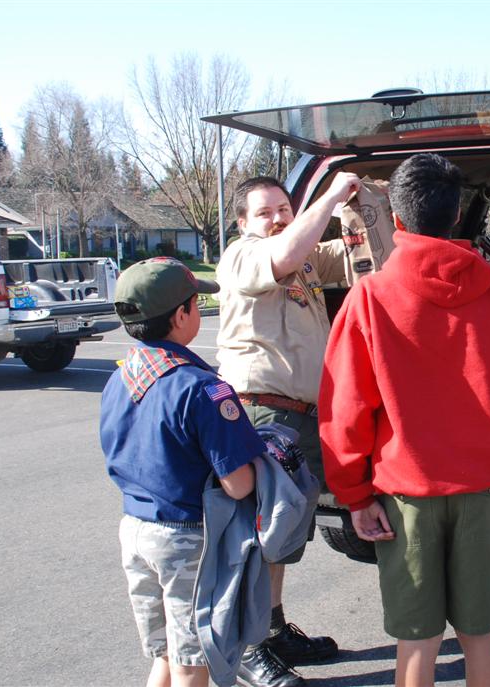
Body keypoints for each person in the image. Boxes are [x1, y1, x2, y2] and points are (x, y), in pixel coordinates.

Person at [318, 153, 490, 687]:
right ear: (456, 215)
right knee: (481, 634)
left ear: (397, 217)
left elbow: (344, 406)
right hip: (486, 487)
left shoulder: (369, 297)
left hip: (406, 496)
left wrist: (354, 495)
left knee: (418, 641)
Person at [216, 172, 360, 686]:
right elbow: (283, 254)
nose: (277, 218)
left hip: (297, 415)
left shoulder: (305, 259)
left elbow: (359, 255)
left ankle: (272, 630)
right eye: (264, 212)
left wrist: (367, 208)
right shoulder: (243, 255)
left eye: (284, 209)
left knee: (281, 536)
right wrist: (331, 196)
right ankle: (248, 647)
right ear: (242, 222)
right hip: (262, 416)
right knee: (256, 538)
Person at [99, 258, 263, 687]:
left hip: (135, 527)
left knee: (166, 655)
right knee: (193, 659)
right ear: (180, 315)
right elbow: (239, 483)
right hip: (185, 539)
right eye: (195, 302)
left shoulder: (119, 378)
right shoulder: (203, 387)